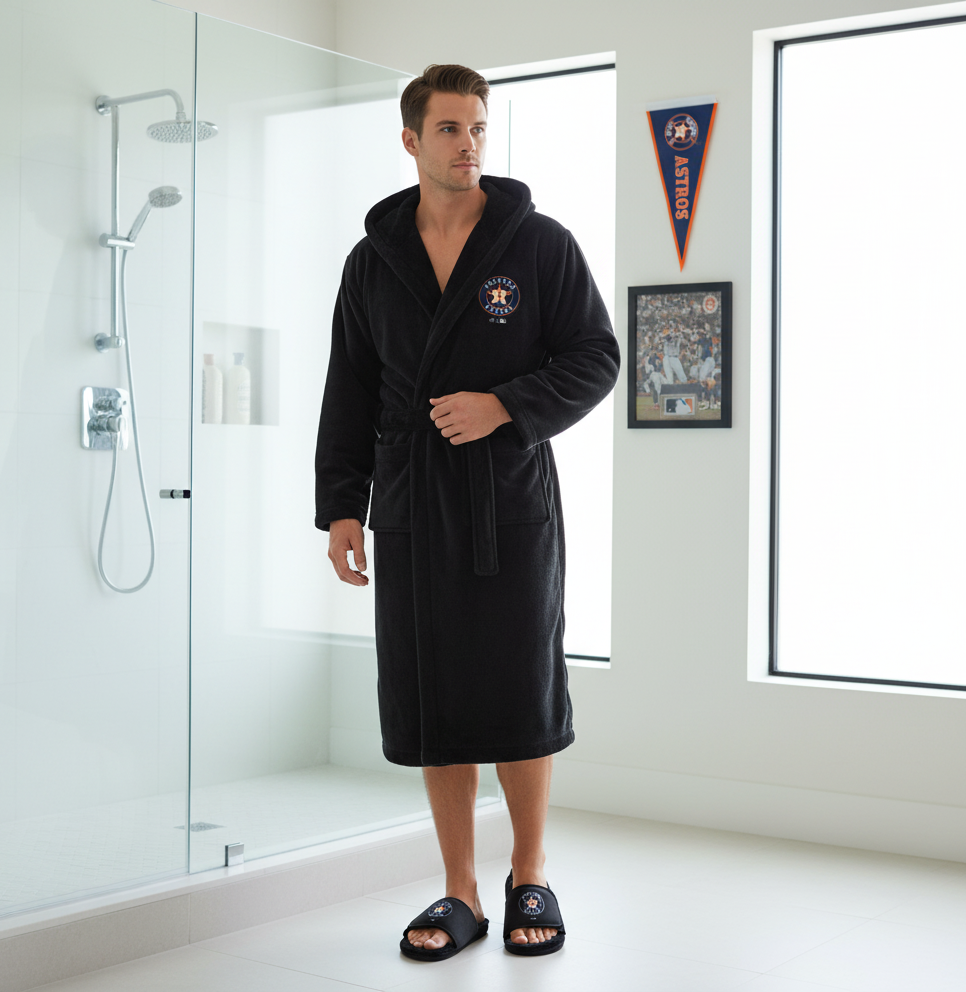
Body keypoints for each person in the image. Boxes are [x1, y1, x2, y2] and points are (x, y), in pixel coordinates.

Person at [314, 64, 620, 962]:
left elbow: (597, 356)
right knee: (434, 696)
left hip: (506, 498)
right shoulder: (373, 262)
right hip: (412, 501)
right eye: (449, 129)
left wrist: (505, 406)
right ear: (412, 140)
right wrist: (343, 506)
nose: (469, 144)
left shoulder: (538, 245)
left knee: (520, 688)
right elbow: (350, 390)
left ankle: (531, 872)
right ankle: (461, 890)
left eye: (479, 127)